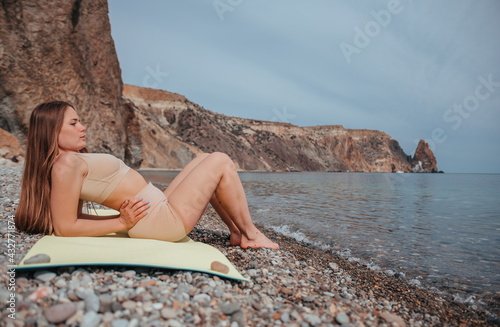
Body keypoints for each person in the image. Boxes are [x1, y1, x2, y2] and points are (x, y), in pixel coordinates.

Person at [15, 101, 279, 249]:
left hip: (157, 207)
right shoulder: (66, 164)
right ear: (52, 131)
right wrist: (122, 222)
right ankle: (252, 235)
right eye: (73, 123)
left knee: (205, 159)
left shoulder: (68, 161)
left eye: (80, 120)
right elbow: (65, 226)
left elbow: (67, 217)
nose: (82, 127)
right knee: (220, 161)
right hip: (159, 221)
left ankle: (236, 231)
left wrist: (122, 219)